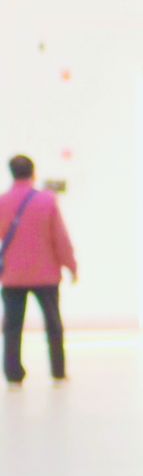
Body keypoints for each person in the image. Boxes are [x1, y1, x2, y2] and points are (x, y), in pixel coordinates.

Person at [1, 155, 76, 387]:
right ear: (33, 173)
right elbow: (60, 238)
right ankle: (58, 371)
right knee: (53, 323)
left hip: (13, 276)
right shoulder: (47, 200)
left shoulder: (3, 202)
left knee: (12, 326)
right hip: (46, 274)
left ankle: (13, 374)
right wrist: (71, 265)